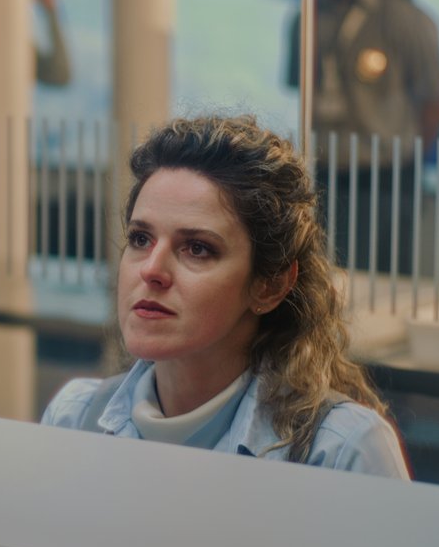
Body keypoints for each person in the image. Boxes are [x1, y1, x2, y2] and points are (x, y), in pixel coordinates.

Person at [41, 115, 408, 477]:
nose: (151, 270)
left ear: (271, 285)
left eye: (197, 248)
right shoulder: (74, 417)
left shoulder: (342, 451)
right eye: (140, 239)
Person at [285, 0, 439, 276]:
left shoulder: (405, 18)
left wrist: (405, 161)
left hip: (386, 178)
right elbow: (303, 91)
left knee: (383, 283)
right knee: (324, 284)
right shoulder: (305, 17)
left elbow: (435, 102)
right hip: (325, 174)